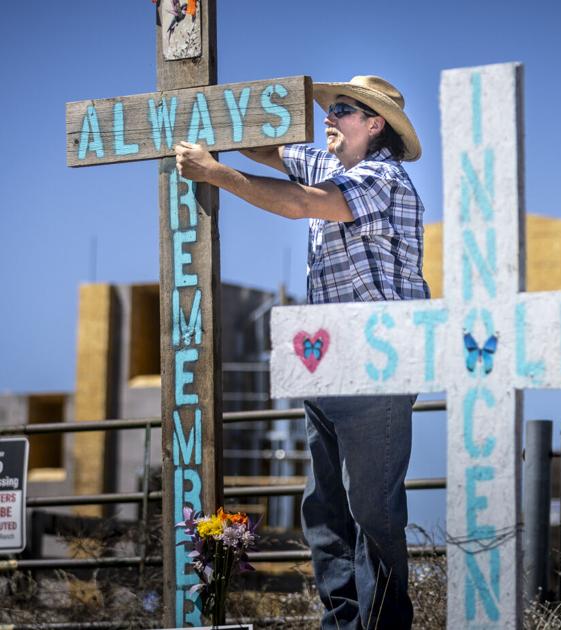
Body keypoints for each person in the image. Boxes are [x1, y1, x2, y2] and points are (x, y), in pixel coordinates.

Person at [174, 75, 429, 630]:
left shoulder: (382, 177)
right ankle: (341, 622)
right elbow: (268, 152)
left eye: (342, 110)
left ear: (374, 124)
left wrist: (214, 173)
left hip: (378, 358)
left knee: (372, 511)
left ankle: (381, 626)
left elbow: (300, 204)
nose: (328, 118)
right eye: (330, 108)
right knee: (325, 509)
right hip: (326, 356)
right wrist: (214, 120)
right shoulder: (328, 164)